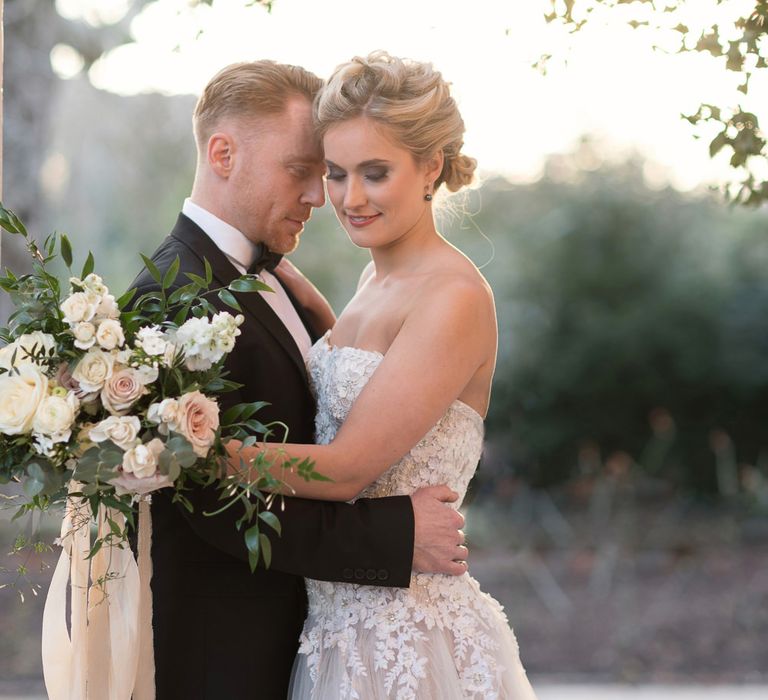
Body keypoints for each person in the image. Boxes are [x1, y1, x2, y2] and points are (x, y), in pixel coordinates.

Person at [129, 60, 468, 700]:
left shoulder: (279, 280)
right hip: (228, 655)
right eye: (304, 171)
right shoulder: (173, 297)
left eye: (331, 171)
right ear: (223, 154)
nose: (324, 196)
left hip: (331, 641)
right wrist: (392, 536)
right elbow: (204, 505)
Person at [229, 51, 537, 699]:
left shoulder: (453, 296)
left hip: (409, 642)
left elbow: (345, 468)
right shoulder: (377, 277)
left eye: (375, 173)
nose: (349, 198)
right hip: (339, 628)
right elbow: (363, 376)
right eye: (336, 174)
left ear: (431, 167)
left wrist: (195, 453)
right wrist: (288, 287)